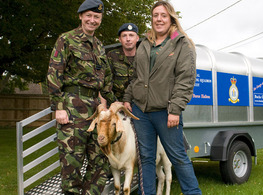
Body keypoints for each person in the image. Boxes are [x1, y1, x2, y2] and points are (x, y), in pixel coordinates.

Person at [123, 1, 202, 194]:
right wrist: (127, 97)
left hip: (166, 113)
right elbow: (136, 76)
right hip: (141, 111)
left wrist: (175, 110)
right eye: (155, 15)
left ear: (171, 18)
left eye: (163, 15)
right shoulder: (144, 43)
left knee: (178, 157)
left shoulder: (183, 43)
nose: (159, 19)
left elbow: (185, 80)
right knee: (146, 158)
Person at [47, 0, 117, 194]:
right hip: (71, 108)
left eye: (96, 17)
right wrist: (58, 107)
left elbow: (107, 81)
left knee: (101, 163)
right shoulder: (66, 39)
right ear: (80, 16)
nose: (92, 20)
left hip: (96, 111)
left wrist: (116, 103)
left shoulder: (100, 46)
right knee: (72, 165)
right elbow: (54, 73)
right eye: (89, 16)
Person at [106, 23, 139, 102]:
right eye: (124, 36)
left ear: (137, 38)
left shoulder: (144, 55)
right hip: (116, 103)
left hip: (139, 105)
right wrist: (115, 102)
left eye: (131, 35)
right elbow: (106, 83)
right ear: (120, 39)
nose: (128, 39)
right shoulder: (112, 56)